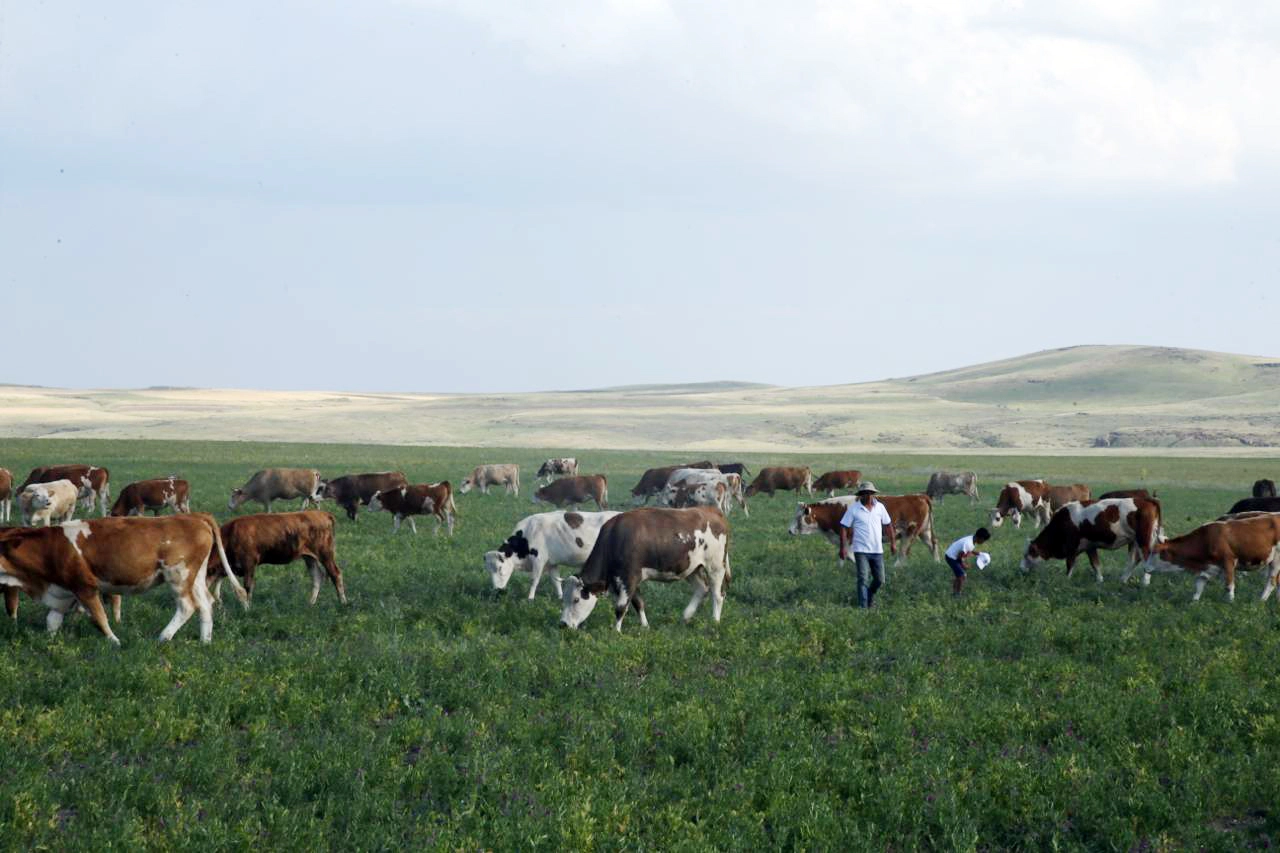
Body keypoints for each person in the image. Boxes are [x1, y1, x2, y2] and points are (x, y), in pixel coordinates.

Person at [838, 482, 896, 608]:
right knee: (863, 578)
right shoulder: (854, 508)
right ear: (861, 495)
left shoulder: (880, 507)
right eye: (865, 493)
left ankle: (869, 595)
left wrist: (893, 543)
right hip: (860, 550)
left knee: (880, 579)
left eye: (870, 493)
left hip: (877, 550)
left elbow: (888, 525)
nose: (868, 496)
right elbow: (843, 526)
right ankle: (863, 607)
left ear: (874, 494)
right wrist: (843, 547)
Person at [944, 527, 991, 596]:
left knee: (959, 575)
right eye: (984, 540)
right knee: (962, 576)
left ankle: (954, 592)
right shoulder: (968, 543)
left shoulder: (972, 539)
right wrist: (963, 565)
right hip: (951, 557)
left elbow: (969, 550)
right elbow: (960, 556)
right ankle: (957, 594)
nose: (983, 542)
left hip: (953, 556)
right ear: (980, 538)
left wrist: (978, 553)